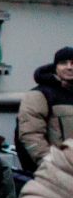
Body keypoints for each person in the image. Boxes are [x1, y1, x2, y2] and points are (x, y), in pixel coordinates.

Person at [16, 46, 73, 176]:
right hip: (56, 174)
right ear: (55, 67)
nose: (69, 67)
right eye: (63, 63)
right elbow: (31, 135)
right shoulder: (40, 94)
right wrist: (50, 166)